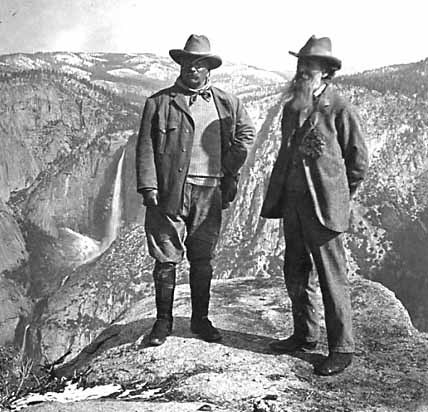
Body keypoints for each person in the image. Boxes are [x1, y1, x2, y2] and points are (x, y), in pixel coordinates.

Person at [136, 34, 255, 346]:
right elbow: (145, 146)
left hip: (210, 192)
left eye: (199, 64)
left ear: (208, 70)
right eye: (188, 63)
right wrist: (149, 186)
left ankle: (200, 321)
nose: (193, 69)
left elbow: (246, 134)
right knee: (165, 257)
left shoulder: (227, 103)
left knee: (202, 259)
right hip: (170, 193)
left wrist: (229, 165)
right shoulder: (160, 103)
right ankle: (163, 323)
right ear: (181, 65)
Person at [260, 36, 368, 375]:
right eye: (301, 66)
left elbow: (358, 161)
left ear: (327, 73)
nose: (303, 72)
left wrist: (339, 196)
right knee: (295, 270)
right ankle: (304, 335)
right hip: (292, 204)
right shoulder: (293, 106)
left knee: (331, 276)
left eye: (311, 68)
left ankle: (342, 348)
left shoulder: (339, 107)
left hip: (324, 209)